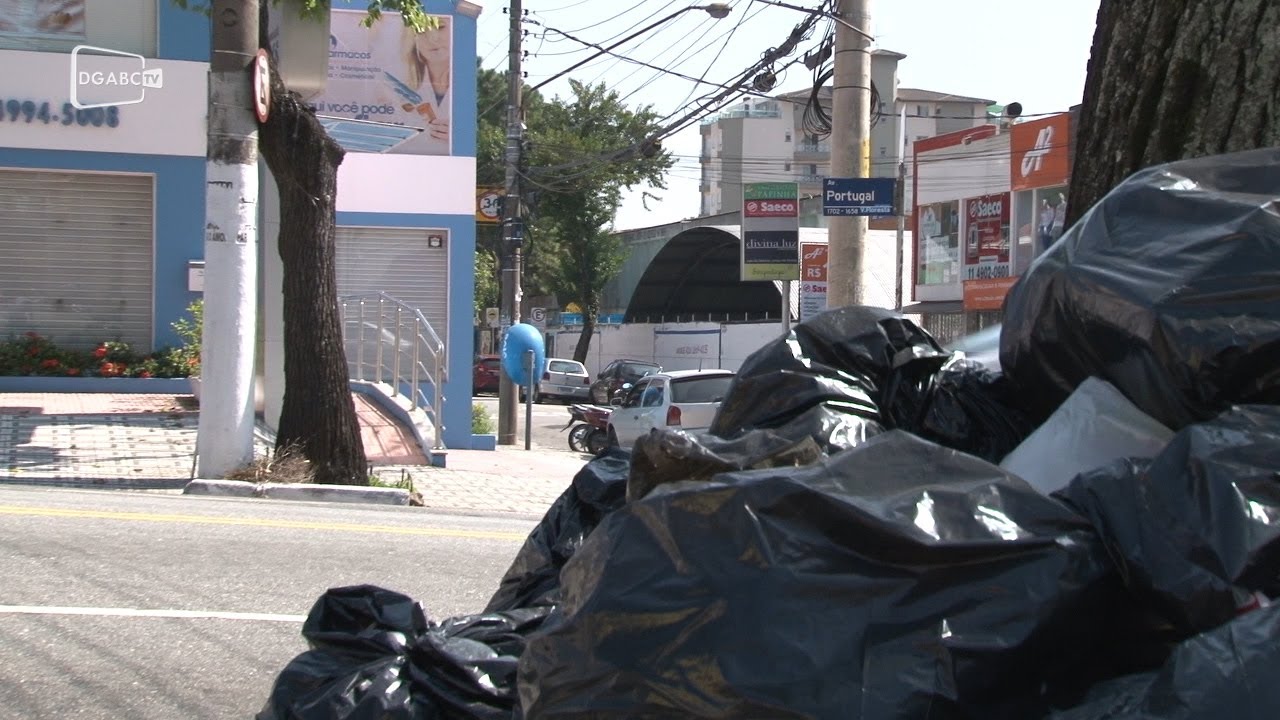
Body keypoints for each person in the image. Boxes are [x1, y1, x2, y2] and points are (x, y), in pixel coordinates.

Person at [393, 17, 451, 149]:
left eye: (440, 27)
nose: (433, 39)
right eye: (422, 30)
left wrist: (458, 137)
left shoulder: (467, 86)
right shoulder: (396, 89)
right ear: (412, 40)